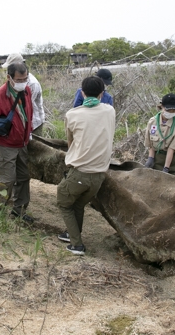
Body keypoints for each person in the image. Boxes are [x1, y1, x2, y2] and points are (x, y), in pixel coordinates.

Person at [56, 76, 115, 255]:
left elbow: (70, 142)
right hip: (99, 176)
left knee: (63, 203)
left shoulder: (72, 115)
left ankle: (77, 244)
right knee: (78, 204)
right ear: (102, 94)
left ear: (81, 92)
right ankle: (71, 233)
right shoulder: (110, 110)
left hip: (80, 173)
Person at [0, 62, 34, 222]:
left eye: (25, 78)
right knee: (7, 180)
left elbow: (28, 112)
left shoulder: (27, 91)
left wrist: (28, 132)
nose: (22, 82)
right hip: (5, 145)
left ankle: (19, 211)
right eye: (19, 80)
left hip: (22, 144)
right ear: (9, 78)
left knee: (24, 177)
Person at [2, 53, 45, 135]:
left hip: (34, 122)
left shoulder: (32, 83)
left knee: (34, 146)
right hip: (20, 122)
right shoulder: (12, 79)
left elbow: (26, 107)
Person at [144, 93, 175, 177]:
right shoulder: (152, 122)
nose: (171, 113)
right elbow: (150, 143)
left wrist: (166, 168)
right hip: (157, 159)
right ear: (162, 106)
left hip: (174, 162)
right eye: (168, 110)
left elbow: (172, 149)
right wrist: (151, 158)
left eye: (173, 111)